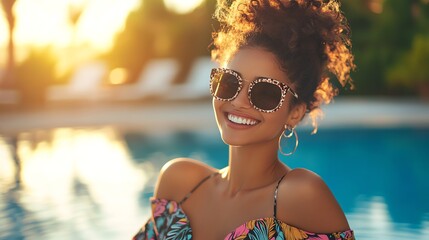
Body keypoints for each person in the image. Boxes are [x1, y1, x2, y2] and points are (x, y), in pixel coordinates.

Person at [133, 0, 355, 239]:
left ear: (295, 112)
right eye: (230, 82)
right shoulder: (179, 182)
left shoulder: (301, 194)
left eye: (266, 92)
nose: (238, 101)